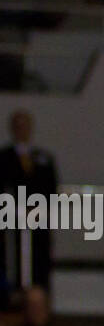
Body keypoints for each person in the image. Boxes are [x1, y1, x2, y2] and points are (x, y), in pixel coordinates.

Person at [0, 110, 60, 293]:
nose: (22, 130)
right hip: (12, 226)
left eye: (25, 125)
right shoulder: (3, 158)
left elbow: (51, 189)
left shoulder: (44, 158)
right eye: (18, 126)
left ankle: (41, 300)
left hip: (38, 224)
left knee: (40, 262)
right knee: (14, 262)